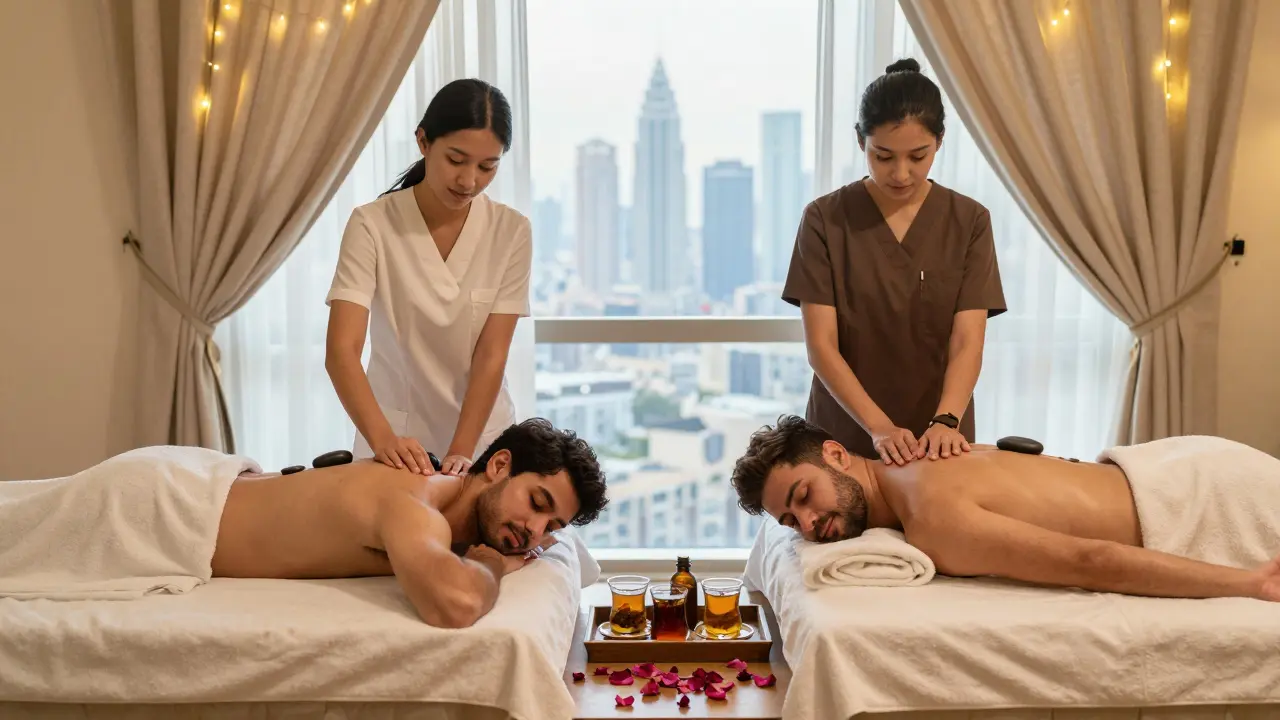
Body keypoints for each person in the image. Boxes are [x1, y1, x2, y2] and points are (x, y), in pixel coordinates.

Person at [730, 415, 1280, 602]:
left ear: (835, 455)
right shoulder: (927, 452)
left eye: (804, 497)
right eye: (789, 523)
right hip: (1181, 462)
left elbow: (1090, 562)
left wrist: (1251, 584)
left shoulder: (933, 522)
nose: (807, 526)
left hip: (1201, 497)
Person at [783, 58, 1006, 468]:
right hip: (845, 434)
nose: (901, 174)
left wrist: (946, 420)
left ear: (940, 141)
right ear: (860, 142)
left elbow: (967, 341)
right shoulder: (824, 220)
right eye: (883, 156)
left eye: (918, 156)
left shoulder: (970, 221)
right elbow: (822, 347)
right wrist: (879, 427)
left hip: (939, 435)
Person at [325, 78, 531, 477]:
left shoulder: (511, 231)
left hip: (481, 440)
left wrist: (462, 453)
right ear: (423, 141)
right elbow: (342, 351)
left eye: (488, 166)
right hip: (392, 438)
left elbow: (492, 355)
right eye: (456, 160)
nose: (469, 180)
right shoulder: (372, 225)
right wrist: (384, 442)